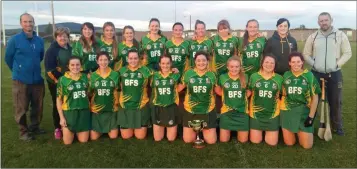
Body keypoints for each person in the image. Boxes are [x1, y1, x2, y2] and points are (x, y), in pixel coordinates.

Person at [303, 12, 352, 136]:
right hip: (316, 74)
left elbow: (347, 52)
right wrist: (313, 64)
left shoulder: (340, 35)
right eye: (321, 21)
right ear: (318, 22)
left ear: (331, 20)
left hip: (334, 73)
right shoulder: (313, 36)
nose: (323, 22)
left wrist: (337, 64)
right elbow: (306, 54)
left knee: (335, 101)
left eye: (326, 20)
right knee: (313, 100)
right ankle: (309, 123)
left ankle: (337, 126)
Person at [5, 13, 46, 141]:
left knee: (37, 105)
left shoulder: (39, 40)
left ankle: (35, 126)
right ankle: (23, 132)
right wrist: (19, 70)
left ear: (34, 23)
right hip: (21, 80)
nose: (28, 24)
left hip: (37, 79)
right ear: (21, 23)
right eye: (25, 21)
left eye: (30, 21)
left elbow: (40, 56)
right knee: (21, 107)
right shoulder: (14, 40)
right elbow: (8, 58)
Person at [280, 52, 321, 149]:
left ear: (302, 62)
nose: (296, 64)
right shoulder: (286, 75)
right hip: (288, 111)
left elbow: (315, 98)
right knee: (289, 143)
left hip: (304, 111)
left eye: (298, 61)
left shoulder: (309, 76)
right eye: (293, 62)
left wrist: (311, 117)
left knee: (307, 146)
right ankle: (292, 129)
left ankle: (300, 130)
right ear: (289, 63)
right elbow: (283, 93)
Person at [177, 51, 217, 145]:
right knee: (188, 140)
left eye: (204, 60)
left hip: (207, 110)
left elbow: (219, 91)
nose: (201, 63)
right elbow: (178, 89)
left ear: (207, 61)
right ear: (195, 61)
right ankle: (198, 131)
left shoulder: (212, 75)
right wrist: (171, 74)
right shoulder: (188, 74)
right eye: (198, 60)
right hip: (190, 110)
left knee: (211, 141)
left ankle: (205, 130)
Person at [248, 54, 283, 146]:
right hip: (256, 114)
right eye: (266, 62)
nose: (269, 64)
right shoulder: (254, 76)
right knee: (255, 141)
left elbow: (285, 94)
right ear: (262, 63)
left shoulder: (279, 78)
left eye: (272, 63)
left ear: (275, 65)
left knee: (272, 143)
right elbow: (248, 93)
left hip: (272, 114)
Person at [117, 49, 153, 140]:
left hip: (141, 106)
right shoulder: (121, 71)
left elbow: (162, 73)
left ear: (139, 59)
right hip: (125, 106)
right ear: (127, 59)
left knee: (140, 137)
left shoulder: (146, 71)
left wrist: (172, 69)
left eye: (135, 58)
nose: (133, 60)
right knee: (126, 137)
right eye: (131, 58)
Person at [44, 27, 72, 140]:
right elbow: (50, 70)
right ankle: (57, 128)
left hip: (70, 80)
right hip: (56, 82)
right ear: (56, 37)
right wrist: (61, 81)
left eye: (65, 36)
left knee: (69, 102)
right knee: (58, 103)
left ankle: (68, 124)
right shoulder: (52, 50)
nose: (63, 38)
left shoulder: (70, 48)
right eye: (60, 36)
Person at [214, 57, 250, 143]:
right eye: (232, 66)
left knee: (243, 141)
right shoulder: (222, 77)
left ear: (240, 67)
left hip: (242, 112)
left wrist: (240, 98)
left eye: (237, 66)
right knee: (223, 141)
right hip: (227, 112)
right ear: (228, 67)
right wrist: (226, 96)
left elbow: (249, 91)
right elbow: (217, 89)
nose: (234, 69)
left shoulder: (246, 77)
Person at [56, 56, 91, 145]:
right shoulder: (62, 80)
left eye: (77, 65)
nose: (75, 67)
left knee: (83, 141)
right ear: (68, 66)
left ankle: (77, 131)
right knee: (67, 142)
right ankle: (64, 129)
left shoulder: (86, 78)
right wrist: (61, 118)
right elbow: (59, 100)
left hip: (84, 112)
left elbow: (89, 94)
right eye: (72, 65)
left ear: (81, 66)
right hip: (69, 113)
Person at [89, 51, 120, 140]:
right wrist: (91, 106)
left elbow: (118, 90)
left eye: (105, 60)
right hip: (97, 110)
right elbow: (90, 93)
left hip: (111, 110)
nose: (103, 62)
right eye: (101, 60)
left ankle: (107, 129)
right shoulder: (93, 76)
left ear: (109, 61)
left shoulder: (115, 75)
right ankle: (101, 130)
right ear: (97, 61)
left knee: (113, 136)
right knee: (94, 138)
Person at [150, 55, 181, 141]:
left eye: (168, 63)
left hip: (171, 106)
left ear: (171, 63)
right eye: (163, 63)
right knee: (157, 139)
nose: (165, 65)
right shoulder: (154, 75)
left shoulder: (176, 75)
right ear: (159, 64)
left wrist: (178, 71)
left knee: (171, 138)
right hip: (158, 107)